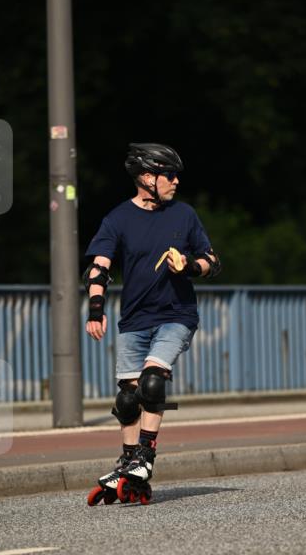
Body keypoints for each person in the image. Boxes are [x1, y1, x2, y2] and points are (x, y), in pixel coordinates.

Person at [83, 142, 221, 504]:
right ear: (147, 178)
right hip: (134, 318)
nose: (176, 181)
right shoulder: (117, 219)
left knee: (152, 381)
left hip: (176, 315)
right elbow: (98, 268)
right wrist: (96, 310)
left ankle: (145, 456)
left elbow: (211, 261)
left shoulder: (184, 215)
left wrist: (189, 266)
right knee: (128, 398)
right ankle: (129, 464)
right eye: (169, 175)